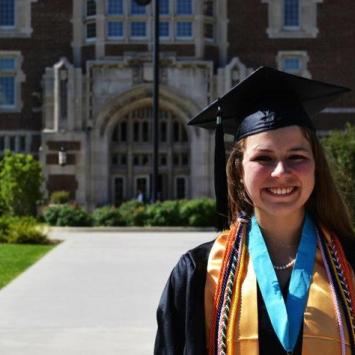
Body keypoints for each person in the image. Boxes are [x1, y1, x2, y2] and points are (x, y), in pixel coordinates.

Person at [154, 67, 355, 355]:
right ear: (238, 170)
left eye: (296, 157)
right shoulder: (200, 273)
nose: (281, 172)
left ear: (316, 166)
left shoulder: (350, 263)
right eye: (264, 158)